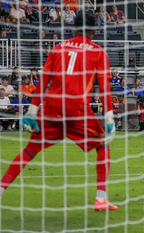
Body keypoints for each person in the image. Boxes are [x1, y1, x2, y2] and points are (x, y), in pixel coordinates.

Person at [0, 13, 118, 211]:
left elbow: (44, 79)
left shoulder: (59, 48)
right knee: (102, 147)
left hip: (51, 108)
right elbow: (105, 88)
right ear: (95, 30)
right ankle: (101, 199)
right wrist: (109, 117)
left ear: (74, 29)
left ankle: (1, 189)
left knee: (29, 150)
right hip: (77, 109)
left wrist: (32, 109)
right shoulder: (98, 52)